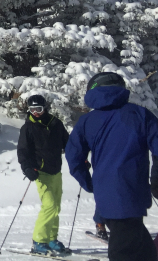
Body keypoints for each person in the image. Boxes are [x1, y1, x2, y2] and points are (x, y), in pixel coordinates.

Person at [66, 72, 158, 261]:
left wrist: (89, 183)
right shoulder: (140, 114)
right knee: (126, 248)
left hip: (107, 196)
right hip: (133, 193)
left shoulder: (86, 121)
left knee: (140, 243)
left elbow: (74, 157)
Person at [17, 94, 70, 255]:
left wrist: (80, 159)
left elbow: (68, 143)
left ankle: (51, 239)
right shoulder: (28, 128)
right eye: (32, 109)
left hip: (56, 171)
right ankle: (39, 241)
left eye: (38, 109)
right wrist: (27, 168)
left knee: (57, 207)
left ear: (44, 108)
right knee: (49, 206)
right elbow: (23, 151)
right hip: (40, 173)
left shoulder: (55, 123)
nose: (36, 113)